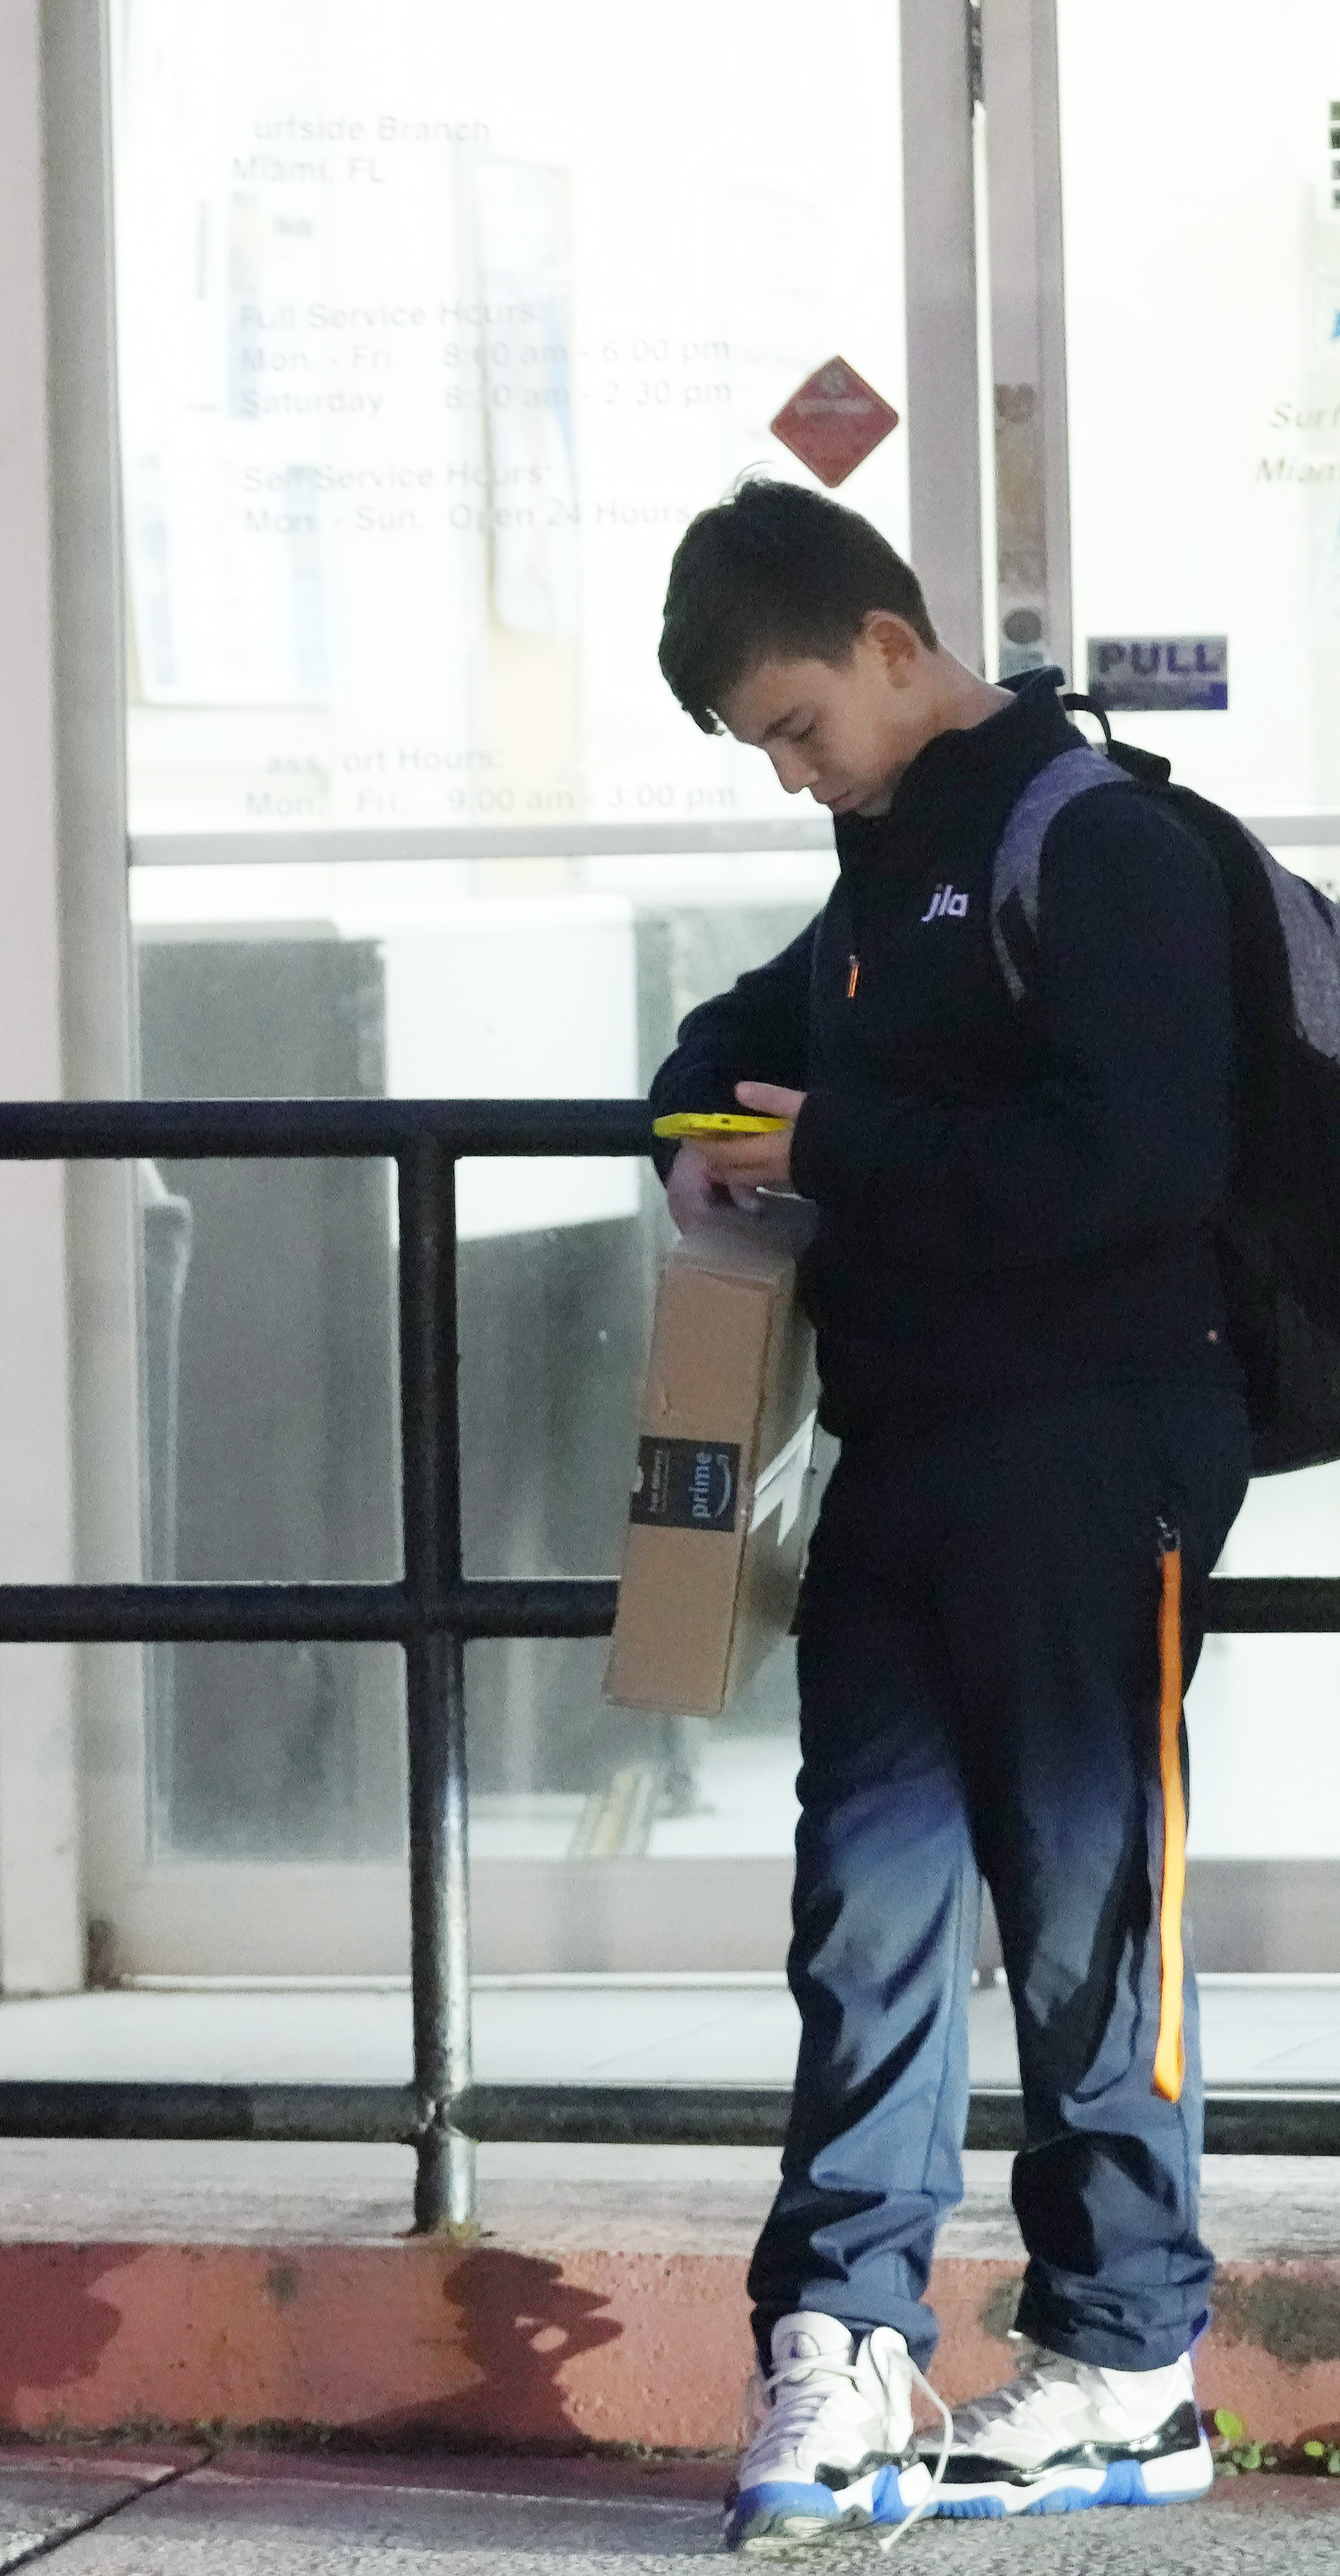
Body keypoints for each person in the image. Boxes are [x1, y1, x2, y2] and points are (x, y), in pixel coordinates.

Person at [649, 477, 1243, 2551]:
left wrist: (846, 1139)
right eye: (762, 748)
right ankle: (838, 2327)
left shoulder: (1091, 845)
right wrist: (703, 1122)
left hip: (1092, 1445)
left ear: (892, 646)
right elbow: (747, 1034)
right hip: (905, 1453)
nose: (792, 769)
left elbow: (1138, 1166)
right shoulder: (887, 864)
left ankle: (1127, 2351)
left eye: (797, 721)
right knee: (867, 1913)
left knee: (1087, 1911)